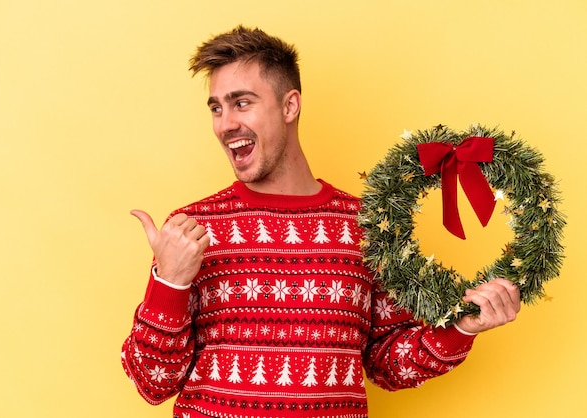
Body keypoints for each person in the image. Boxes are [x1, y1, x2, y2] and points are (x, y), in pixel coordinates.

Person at [121, 25, 520, 418]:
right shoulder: (192, 229)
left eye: (241, 103)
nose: (225, 123)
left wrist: (461, 327)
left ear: (289, 106)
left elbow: (388, 362)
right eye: (216, 107)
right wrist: (168, 284)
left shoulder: (366, 226)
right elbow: (152, 384)